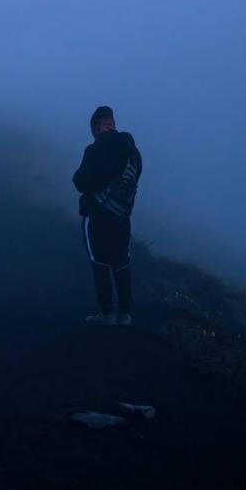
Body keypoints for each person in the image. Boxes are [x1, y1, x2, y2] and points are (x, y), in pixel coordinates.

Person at [73, 105, 143, 326]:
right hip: (122, 217)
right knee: (121, 263)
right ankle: (125, 314)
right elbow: (135, 180)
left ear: (96, 129)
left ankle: (106, 314)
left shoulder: (94, 150)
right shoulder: (133, 152)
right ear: (112, 124)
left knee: (100, 263)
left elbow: (81, 182)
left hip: (97, 215)